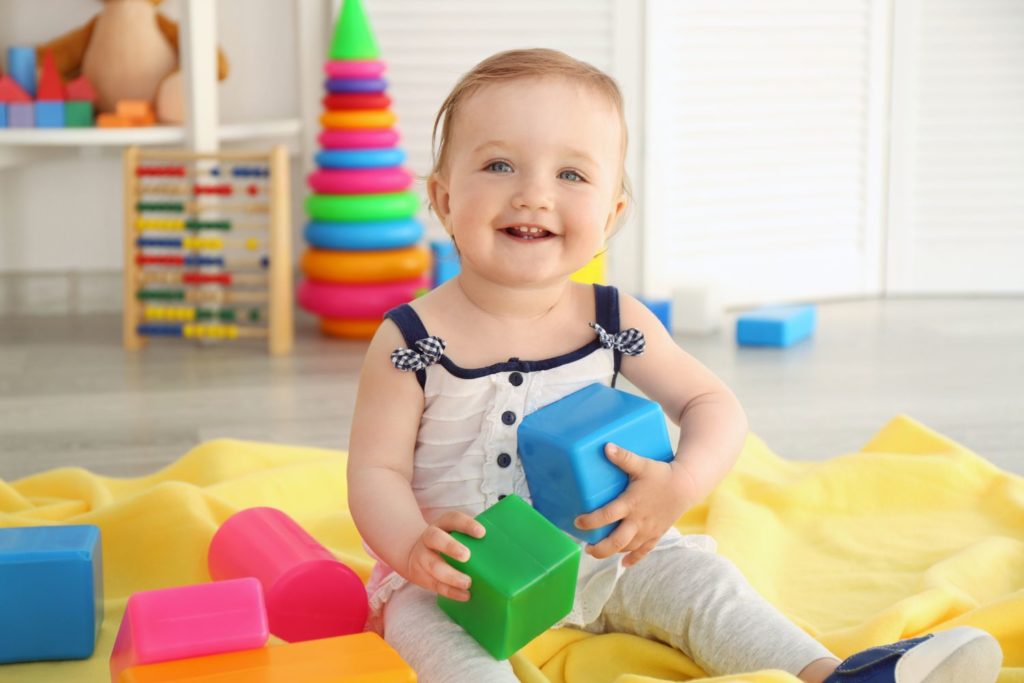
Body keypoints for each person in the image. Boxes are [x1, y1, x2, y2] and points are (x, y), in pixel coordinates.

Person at [346, 48, 1002, 683]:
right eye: (498, 165)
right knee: (431, 641)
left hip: (601, 553)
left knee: (706, 584)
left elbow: (711, 405)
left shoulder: (613, 319)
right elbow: (377, 470)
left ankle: (833, 673)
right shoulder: (412, 339)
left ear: (611, 215)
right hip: (457, 578)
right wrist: (412, 547)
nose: (534, 195)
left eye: (571, 175)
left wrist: (680, 482)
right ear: (442, 198)